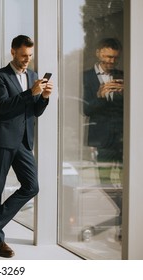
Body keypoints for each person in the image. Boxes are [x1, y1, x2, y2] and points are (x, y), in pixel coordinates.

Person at [0, 35, 53, 258]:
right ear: (12, 52)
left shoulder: (34, 76)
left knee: (32, 186)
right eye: (23, 56)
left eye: (30, 56)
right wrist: (31, 93)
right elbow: (4, 107)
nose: (27, 60)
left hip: (24, 141)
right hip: (3, 139)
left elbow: (34, 112)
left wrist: (44, 98)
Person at [83, 38, 123, 232]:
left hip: (124, 138)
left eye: (115, 58)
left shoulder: (124, 76)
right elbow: (85, 109)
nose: (111, 61)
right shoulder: (86, 77)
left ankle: (126, 218)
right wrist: (99, 95)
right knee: (104, 181)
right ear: (99, 53)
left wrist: (129, 92)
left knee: (128, 179)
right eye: (108, 56)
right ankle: (125, 213)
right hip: (102, 139)